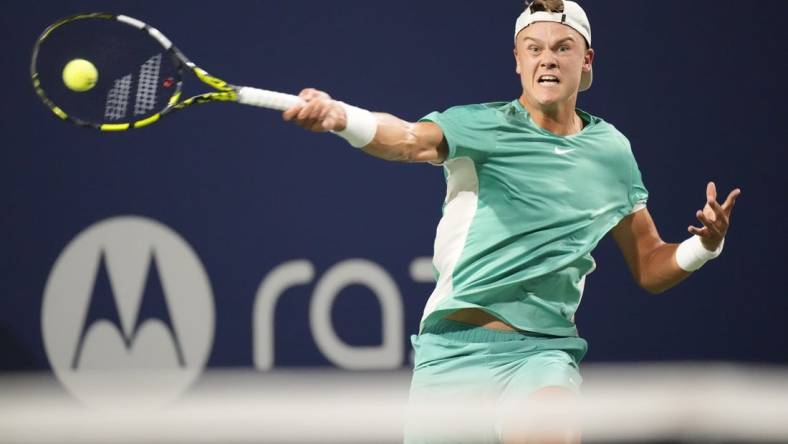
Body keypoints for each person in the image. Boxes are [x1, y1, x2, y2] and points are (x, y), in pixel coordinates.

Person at [282, 1, 741, 442]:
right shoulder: (479, 126)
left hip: (542, 355)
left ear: (587, 61)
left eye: (563, 47)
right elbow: (405, 140)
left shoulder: (611, 151)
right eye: (534, 48)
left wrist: (706, 245)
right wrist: (342, 117)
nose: (548, 60)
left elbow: (649, 263)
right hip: (450, 356)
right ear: (518, 61)